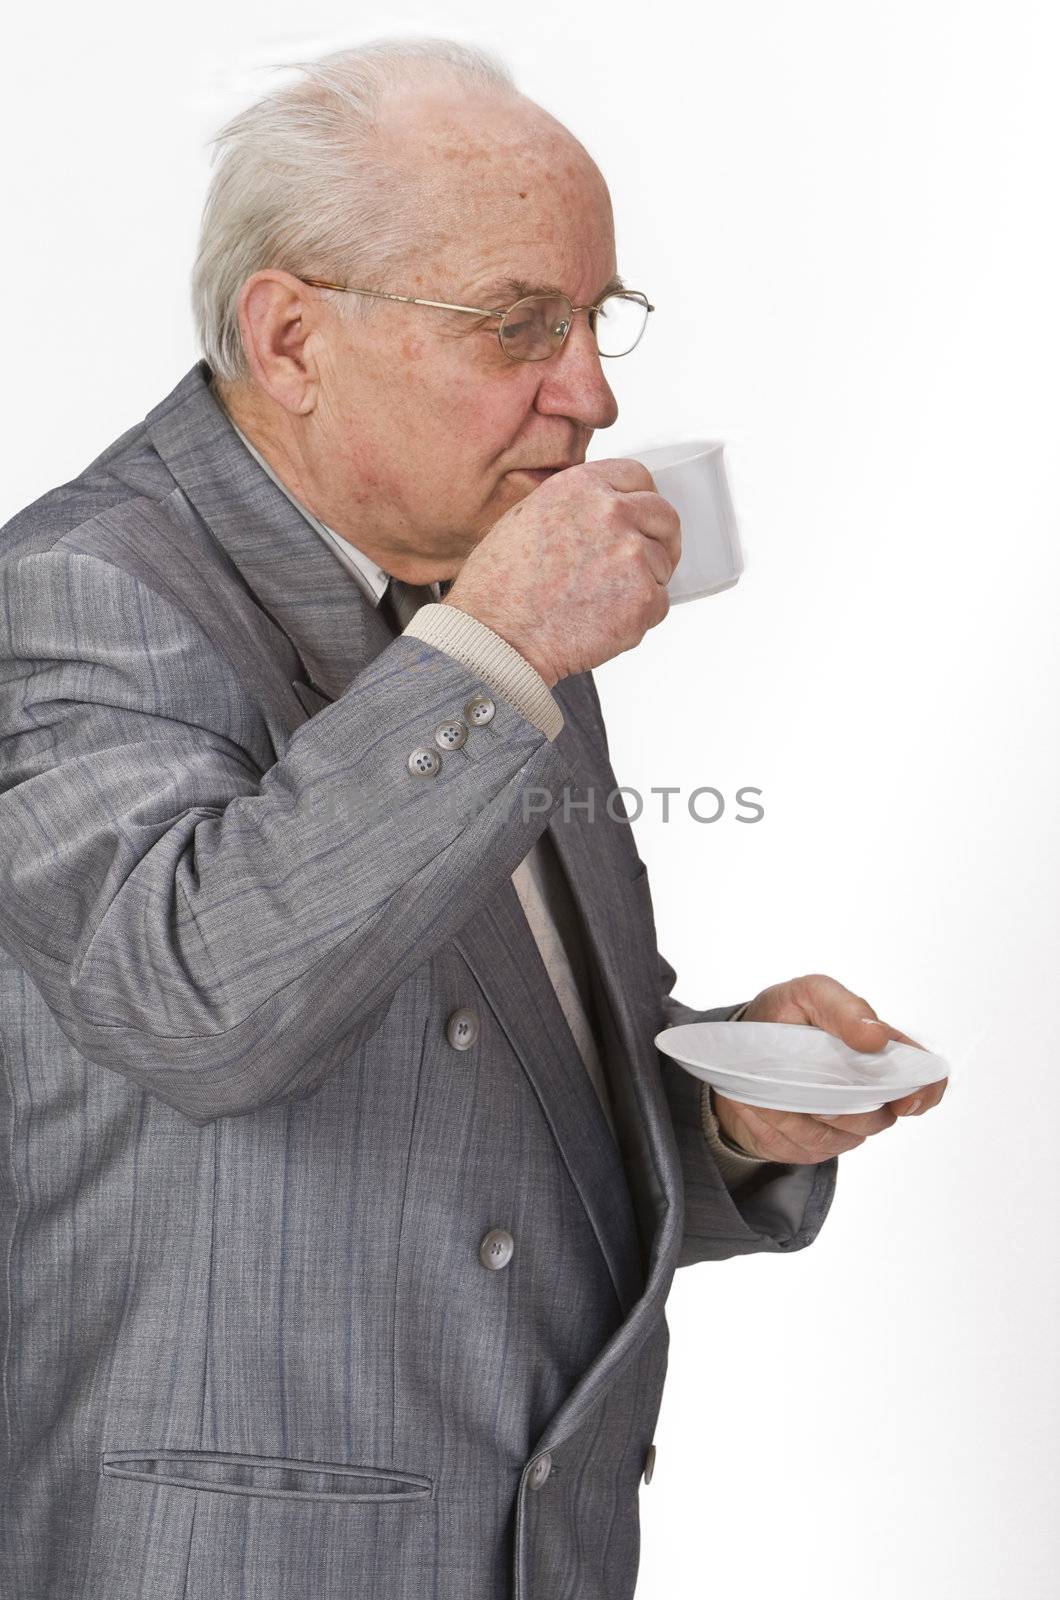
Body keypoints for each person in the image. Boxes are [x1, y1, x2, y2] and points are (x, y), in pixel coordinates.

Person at [0, 36, 945, 1600]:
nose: (591, 392)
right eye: (523, 326)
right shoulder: (78, 592)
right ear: (291, 335)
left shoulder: (477, 593)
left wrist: (723, 1116)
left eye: (593, 319)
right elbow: (193, 1005)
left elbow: (501, 1086)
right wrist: (496, 651)